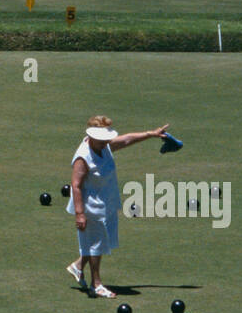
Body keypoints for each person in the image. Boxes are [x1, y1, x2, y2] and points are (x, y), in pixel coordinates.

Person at [66, 115, 169, 297]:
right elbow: (75, 185)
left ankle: (78, 266)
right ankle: (96, 284)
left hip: (106, 201)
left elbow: (127, 139)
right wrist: (80, 213)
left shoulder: (103, 145)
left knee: (100, 241)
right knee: (97, 244)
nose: (106, 141)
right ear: (92, 136)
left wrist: (151, 134)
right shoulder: (83, 156)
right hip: (90, 205)